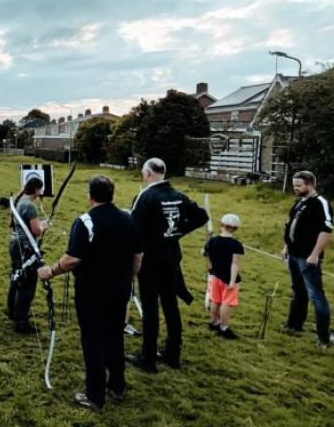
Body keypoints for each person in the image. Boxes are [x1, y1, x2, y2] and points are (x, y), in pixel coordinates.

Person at [37, 175, 140, 412]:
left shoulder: (85, 221)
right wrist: (128, 279)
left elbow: (73, 258)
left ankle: (95, 396)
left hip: (93, 291)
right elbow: (138, 257)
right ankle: (117, 386)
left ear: (90, 195)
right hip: (120, 289)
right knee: (114, 335)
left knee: (93, 339)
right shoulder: (128, 219)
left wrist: (49, 271)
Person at [128, 158, 208, 372]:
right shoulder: (177, 195)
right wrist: (176, 233)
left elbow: (135, 231)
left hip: (150, 259)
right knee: (170, 303)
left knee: (151, 306)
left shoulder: (145, 197)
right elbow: (202, 215)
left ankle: (148, 358)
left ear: (147, 173)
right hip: (171, 257)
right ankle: (173, 354)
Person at [282, 170, 334, 347]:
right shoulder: (299, 202)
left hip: (308, 258)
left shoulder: (321, 203)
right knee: (298, 291)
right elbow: (291, 226)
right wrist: (286, 247)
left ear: (310, 185)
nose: (295, 188)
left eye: (298, 185)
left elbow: (326, 230)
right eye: (294, 185)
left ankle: (323, 338)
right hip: (293, 254)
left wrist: (314, 254)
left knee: (316, 296)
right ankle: (294, 325)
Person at [8, 177, 46, 333]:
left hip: (15, 245)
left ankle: (13, 312)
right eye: (41, 189)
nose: (41, 192)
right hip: (26, 249)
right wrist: (44, 226)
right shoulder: (30, 206)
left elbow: (11, 224)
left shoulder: (18, 201)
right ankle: (21, 322)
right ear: (36, 189)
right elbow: (36, 230)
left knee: (17, 277)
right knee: (27, 284)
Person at [204, 213, 244, 339]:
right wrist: (232, 281)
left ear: (221, 225)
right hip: (228, 279)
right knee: (227, 303)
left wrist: (208, 242)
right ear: (235, 228)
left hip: (215, 276)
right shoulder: (236, 244)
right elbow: (235, 264)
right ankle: (223, 327)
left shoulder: (213, 240)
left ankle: (213, 322)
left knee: (215, 300)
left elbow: (204, 253)